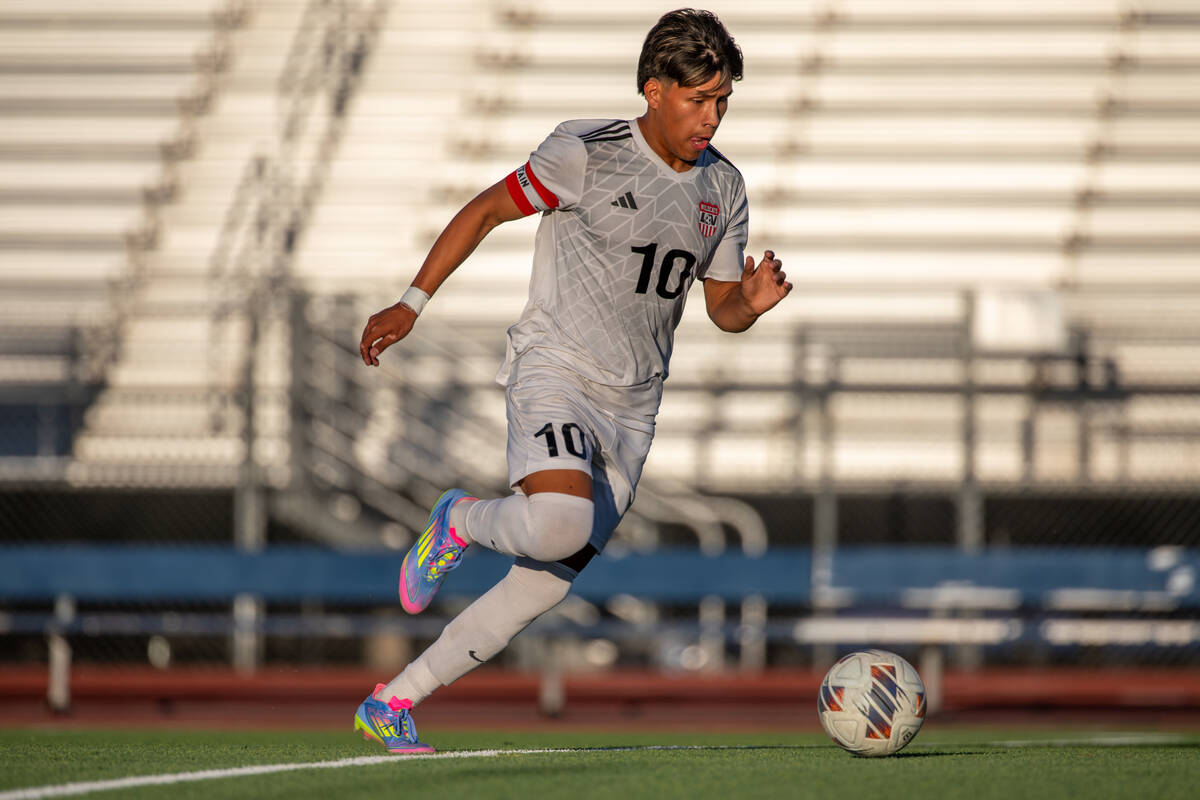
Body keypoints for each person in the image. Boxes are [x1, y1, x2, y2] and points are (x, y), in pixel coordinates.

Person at [353, 8, 791, 754]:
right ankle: (459, 521)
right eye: (698, 100)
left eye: (722, 101)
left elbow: (718, 307)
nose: (711, 117)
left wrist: (745, 304)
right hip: (555, 369)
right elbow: (489, 208)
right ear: (654, 91)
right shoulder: (587, 152)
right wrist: (412, 300)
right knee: (559, 525)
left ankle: (393, 703)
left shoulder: (725, 188)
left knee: (545, 582)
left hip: (634, 407)